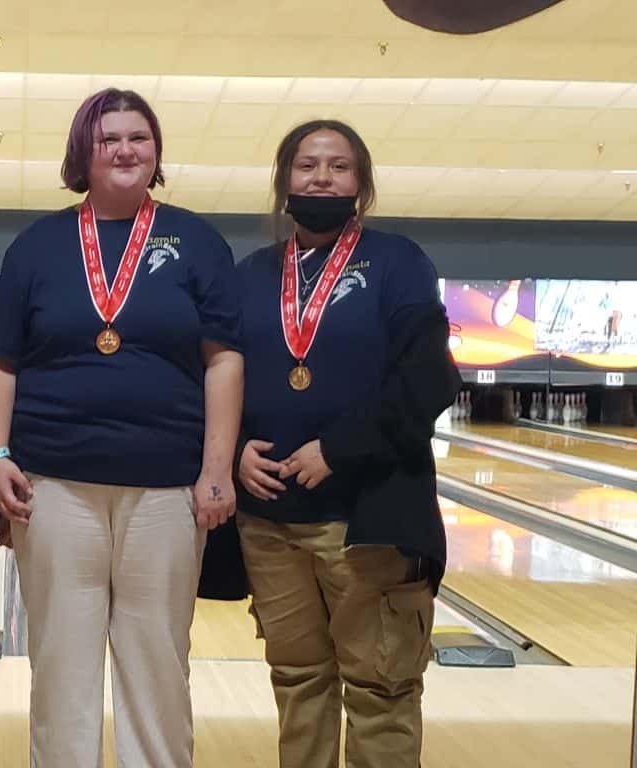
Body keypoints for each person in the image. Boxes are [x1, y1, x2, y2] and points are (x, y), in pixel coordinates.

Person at [0, 88, 244, 768]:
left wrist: (217, 469)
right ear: (83, 155)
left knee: (157, 660)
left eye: (138, 137)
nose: (125, 149)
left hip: (166, 487)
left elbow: (223, 360)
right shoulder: (39, 245)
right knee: (61, 665)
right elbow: (3, 360)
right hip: (56, 483)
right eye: (108, 139)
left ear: (155, 152)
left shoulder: (196, 241)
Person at [234, 119, 461, 768]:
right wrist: (234, 450)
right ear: (284, 182)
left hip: (367, 520)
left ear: (360, 185)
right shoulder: (252, 273)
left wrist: (336, 449)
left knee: (381, 689)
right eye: (307, 166)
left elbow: (428, 376)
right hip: (271, 523)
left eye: (338, 167)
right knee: (298, 684)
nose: (321, 178)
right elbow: (219, 375)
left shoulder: (397, 262)